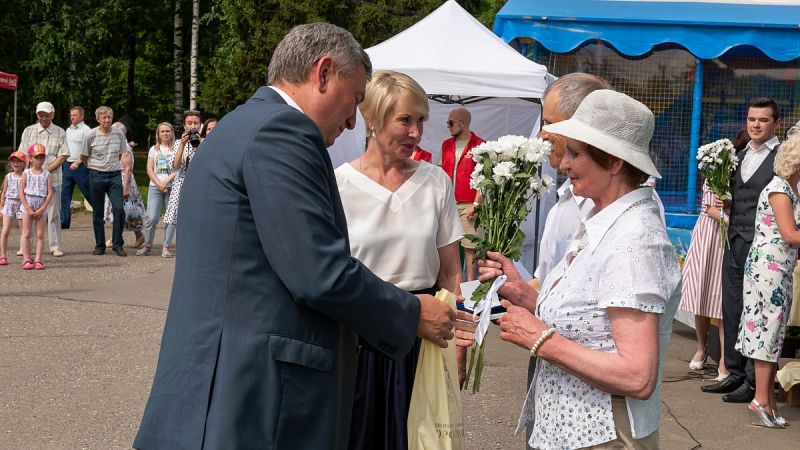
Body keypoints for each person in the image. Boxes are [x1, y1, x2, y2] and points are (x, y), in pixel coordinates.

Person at [133, 23, 456, 450]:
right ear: (323, 73)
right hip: (255, 399)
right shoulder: (283, 131)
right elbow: (319, 273)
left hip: (216, 387)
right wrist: (410, 313)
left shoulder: (237, 124)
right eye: (355, 99)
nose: (352, 120)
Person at [479, 90, 681, 449]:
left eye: (575, 153)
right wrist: (523, 293)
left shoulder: (635, 240)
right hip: (574, 431)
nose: (562, 164)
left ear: (615, 162)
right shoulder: (606, 219)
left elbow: (637, 375)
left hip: (605, 434)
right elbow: (590, 317)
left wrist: (541, 338)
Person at [336, 70, 468, 449]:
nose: (416, 133)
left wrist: (458, 341)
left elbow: (450, 272)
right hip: (358, 340)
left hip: (421, 343)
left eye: (421, 121)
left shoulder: (435, 182)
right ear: (373, 119)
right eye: (405, 120)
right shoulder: (338, 184)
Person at [701, 97, 781, 403]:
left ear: (776, 123)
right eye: (751, 119)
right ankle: (732, 371)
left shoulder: (782, 157)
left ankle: (751, 380)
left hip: (763, 245)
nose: (756, 125)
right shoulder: (738, 153)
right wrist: (728, 201)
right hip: (733, 239)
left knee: (756, 312)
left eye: (762, 120)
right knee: (731, 307)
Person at [735, 136, 800, 428]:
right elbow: (789, 234)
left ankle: (768, 402)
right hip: (768, 271)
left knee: (773, 333)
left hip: (778, 269)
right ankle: (761, 400)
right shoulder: (779, 189)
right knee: (767, 331)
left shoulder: (789, 189)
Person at [678, 179, 728, 379]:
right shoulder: (716, 171)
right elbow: (709, 208)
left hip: (725, 239)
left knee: (722, 295)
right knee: (701, 291)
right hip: (708, 234)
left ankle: (725, 359)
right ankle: (702, 347)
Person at [17, 101, 69, 257]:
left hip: (53, 179)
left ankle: (55, 246)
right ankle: (25, 246)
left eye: (47, 115)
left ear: (52, 115)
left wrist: (44, 171)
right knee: (28, 213)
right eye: (41, 115)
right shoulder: (29, 131)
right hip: (31, 180)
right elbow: (23, 154)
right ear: (37, 115)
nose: (44, 118)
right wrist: (27, 173)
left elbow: (63, 156)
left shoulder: (60, 132)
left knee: (53, 214)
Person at [440, 107, 484, 280]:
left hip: (469, 204)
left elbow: (484, 178)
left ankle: (470, 285)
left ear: (462, 123)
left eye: (450, 123)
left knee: (471, 246)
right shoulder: (446, 145)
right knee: (448, 245)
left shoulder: (480, 145)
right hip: (449, 202)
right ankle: (454, 285)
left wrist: (477, 204)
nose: (448, 126)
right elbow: (441, 172)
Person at [81, 106, 128, 257]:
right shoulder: (91, 135)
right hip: (96, 175)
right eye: (104, 118)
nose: (107, 120)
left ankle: (117, 244)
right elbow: (84, 156)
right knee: (98, 212)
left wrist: (111, 165)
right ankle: (100, 244)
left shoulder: (119, 133)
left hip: (114, 175)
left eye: (109, 117)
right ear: (98, 119)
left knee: (119, 209)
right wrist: (95, 169)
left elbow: (121, 154)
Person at [162, 110, 202, 252]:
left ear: (200, 125)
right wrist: (182, 145)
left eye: (195, 123)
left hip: (199, 184)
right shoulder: (179, 142)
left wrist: (200, 144)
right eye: (189, 123)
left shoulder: (205, 142)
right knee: (174, 214)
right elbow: (175, 166)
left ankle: (192, 245)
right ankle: (166, 246)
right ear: (184, 126)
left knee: (196, 215)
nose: (193, 126)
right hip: (181, 182)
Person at [103, 122, 145, 249]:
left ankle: (118, 237)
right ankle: (135, 235)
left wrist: (125, 188)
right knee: (123, 211)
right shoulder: (117, 145)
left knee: (123, 210)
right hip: (116, 180)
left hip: (122, 181)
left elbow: (127, 169)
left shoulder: (124, 147)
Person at [137, 123, 177, 256]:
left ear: (172, 133)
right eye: (162, 131)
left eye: (168, 131)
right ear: (158, 134)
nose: (165, 133)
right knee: (151, 217)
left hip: (172, 187)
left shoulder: (177, 148)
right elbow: (149, 169)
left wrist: (165, 182)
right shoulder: (154, 149)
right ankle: (148, 246)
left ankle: (166, 247)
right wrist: (159, 183)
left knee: (171, 218)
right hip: (155, 187)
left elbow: (178, 169)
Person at [19, 144, 53, 270]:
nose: (39, 159)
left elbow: (49, 193)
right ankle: (26, 258)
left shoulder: (47, 174)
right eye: (36, 157)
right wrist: (27, 208)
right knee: (26, 233)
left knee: (40, 234)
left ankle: (38, 259)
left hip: (41, 207)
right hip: (28, 205)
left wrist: (42, 208)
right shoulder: (26, 173)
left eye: (41, 157)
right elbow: (21, 191)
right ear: (30, 158)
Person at [61, 106, 92, 229]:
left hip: (81, 166)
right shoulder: (68, 130)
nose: (72, 117)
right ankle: (64, 222)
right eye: (71, 115)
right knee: (65, 194)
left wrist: (78, 162)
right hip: (67, 165)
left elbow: (89, 150)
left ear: (82, 116)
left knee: (88, 192)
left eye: (74, 115)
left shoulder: (86, 130)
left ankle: (102, 215)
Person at [0, 151, 27, 265]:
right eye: (14, 161)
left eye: (19, 161)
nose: (16, 163)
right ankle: (3, 256)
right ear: (11, 163)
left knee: (24, 232)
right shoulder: (8, 176)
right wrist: (1, 207)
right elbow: (4, 192)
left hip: (21, 204)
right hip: (9, 204)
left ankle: (27, 256)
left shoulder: (26, 176)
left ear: (24, 163)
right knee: (5, 230)